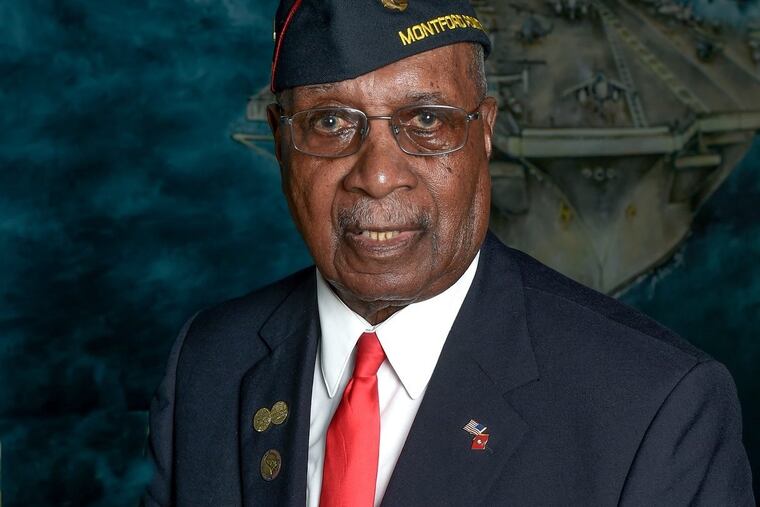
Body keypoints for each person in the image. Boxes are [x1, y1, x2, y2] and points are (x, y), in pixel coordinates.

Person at [143, 1, 755, 505]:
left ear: (484, 131)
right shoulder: (208, 363)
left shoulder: (655, 407)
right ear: (282, 140)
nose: (378, 176)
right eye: (330, 123)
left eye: (427, 120)